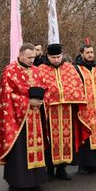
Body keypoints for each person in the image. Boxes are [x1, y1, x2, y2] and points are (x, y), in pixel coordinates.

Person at [0, 43, 47, 191]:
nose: (31, 61)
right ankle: (19, 184)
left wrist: (41, 101)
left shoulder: (36, 71)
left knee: (36, 148)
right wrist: (28, 102)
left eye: (34, 57)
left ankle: (35, 181)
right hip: (17, 120)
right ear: (20, 55)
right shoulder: (9, 71)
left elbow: (43, 88)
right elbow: (7, 96)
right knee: (20, 151)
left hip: (35, 118)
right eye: (29, 57)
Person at [38, 43, 91, 180]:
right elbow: (38, 89)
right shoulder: (41, 70)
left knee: (67, 140)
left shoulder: (69, 69)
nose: (56, 60)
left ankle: (62, 169)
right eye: (53, 57)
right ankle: (49, 169)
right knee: (50, 140)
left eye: (58, 56)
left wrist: (73, 98)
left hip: (67, 110)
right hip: (50, 111)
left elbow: (77, 87)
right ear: (47, 56)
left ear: (62, 55)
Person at [73, 44, 96, 174]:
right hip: (84, 110)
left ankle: (95, 164)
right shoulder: (76, 68)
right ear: (81, 54)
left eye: (92, 52)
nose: (90, 55)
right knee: (84, 135)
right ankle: (83, 165)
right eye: (87, 52)